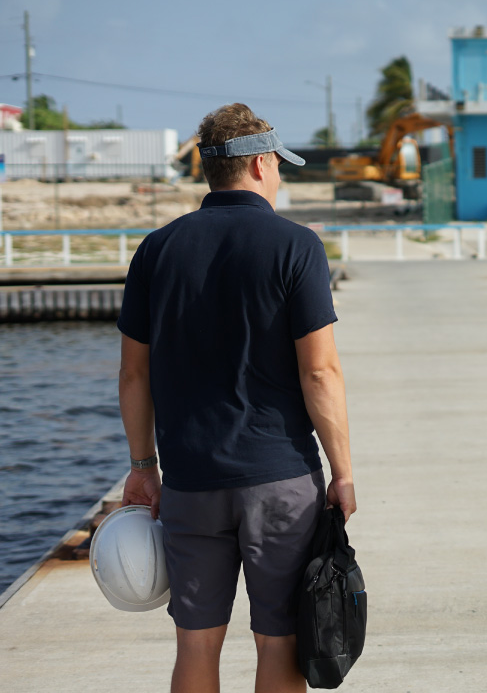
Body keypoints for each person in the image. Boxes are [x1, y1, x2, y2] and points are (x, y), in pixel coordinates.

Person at [117, 103, 356, 693]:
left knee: (196, 647)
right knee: (280, 644)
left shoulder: (156, 249)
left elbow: (133, 375)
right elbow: (320, 373)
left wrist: (143, 465)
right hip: (278, 480)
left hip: (191, 481)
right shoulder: (295, 246)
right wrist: (343, 471)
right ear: (258, 164)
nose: (279, 178)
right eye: (278, 167)